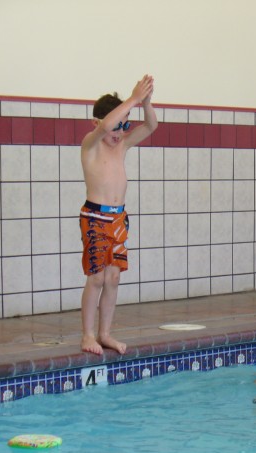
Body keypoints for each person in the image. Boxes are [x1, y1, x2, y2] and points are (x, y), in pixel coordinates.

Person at [79, 75, 158, 355]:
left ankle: (105, 334)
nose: (120, 132)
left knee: (113, 279)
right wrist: (133, 99)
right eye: (117, 125)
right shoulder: (91, 143)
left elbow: (151, 125)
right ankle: (88, 335)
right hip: (96, 218)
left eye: (125, 125)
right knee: (97, 278)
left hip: (118, 219)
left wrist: (145, 103)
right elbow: (105, 126)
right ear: (96, 123)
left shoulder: (121, 145)